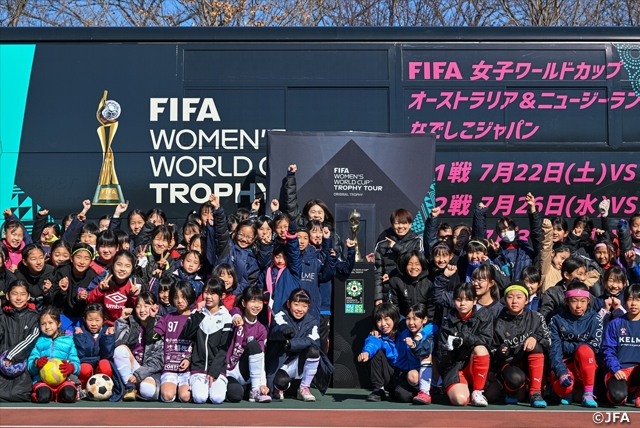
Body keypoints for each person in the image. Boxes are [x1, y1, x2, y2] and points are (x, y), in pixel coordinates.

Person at [266, 288, 332, 402]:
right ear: (288, 304)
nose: (299, 309)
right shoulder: (280, 315)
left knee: (314, 351)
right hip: (280, 365)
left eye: (304, 306)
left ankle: (304, 387)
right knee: (282, 382)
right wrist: (284, 331)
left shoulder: (312, 321)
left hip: (298, 364)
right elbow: (277, 330)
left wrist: (290, 343)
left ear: (308, 307)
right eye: (296, 304)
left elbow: (314, 341)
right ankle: (279, 388)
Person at [491, 284, 550, 407]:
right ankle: (511, 390)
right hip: (510, 363)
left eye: (519, 297)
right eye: (510, 297)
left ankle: (535, 392)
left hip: (531, 362)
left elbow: (548, 342)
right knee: (515, 381)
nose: (514, 301)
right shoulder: (498, 321)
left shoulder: (536, 317)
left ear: (527, 300)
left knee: (536, 345)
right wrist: (501, 351)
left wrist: (534, 337)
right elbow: (492, 349)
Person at [549, 280, 603, 407]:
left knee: (584, 350)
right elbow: (554, 349)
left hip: (585, 368)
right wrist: (562, 372)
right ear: (567, 301)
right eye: (574, 301)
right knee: (564, 388)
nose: (578, 305)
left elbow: (594, 347)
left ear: (588, 301)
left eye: (583, 301)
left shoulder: (596, 319)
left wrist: (566, 345)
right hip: (564, 366)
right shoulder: (556, 320)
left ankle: (588, 393)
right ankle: (563, 391)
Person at [438, 282, 493, 407]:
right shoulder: (447, 321)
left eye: (468, 299)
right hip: (454, 368)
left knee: (481, 349)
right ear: (453, 301)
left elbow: (487, 341)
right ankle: (464, 389)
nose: (462, 303)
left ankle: (477, 391)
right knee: (460, 400)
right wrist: (449, 347)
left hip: (475, 365)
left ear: (475, 301)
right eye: (458, 299)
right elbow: (443, 357)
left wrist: (465, 338)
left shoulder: (485, 315)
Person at [183, 278, 232, 404]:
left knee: (217, 398)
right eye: (206, 292)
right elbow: (186, 334)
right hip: (198, 369)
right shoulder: (197, 312)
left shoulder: (226, 317)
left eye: (213, 293)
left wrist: (214, 371)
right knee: (200, 398)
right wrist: (198, 314)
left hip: (217, 370)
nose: (208, 297)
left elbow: (224, 348)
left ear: (222, 296)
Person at [113, 292, 163, 401]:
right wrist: (122, 320)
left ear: (155, 307)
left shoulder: (161, 325)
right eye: (138, 306)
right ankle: (130, 388)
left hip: (150, 372)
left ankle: (136, 387)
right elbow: (118, 342)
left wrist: (139, 374)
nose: (142, 310)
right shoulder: (133, 323)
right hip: (132, 370)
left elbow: (159, 359)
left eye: (146, 306)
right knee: (120, 350)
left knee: (147, 390)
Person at [151, 280, 195, 403]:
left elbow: (199, 345)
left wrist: (189, 358)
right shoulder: (167, 318)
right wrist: (152, 318)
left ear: (190, 296)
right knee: (167, 396)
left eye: (183, 296)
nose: (179, 301)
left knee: (185, 397)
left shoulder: (195, 318)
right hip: (169, 367)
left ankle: (180, 389)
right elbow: (153, 337)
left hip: (187, 370)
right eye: (176, 297)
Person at [225, 286, 271, 403]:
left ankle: (255, 391)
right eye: (253, 301)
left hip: (247, 371)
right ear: (244, 303)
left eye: (259, 301)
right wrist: (236, 318)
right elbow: (233, 311)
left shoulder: (261, 329)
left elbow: (260, 358)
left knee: (254, 346)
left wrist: (262, 384)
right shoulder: (237, 317)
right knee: (236, 395)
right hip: (229, 370)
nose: (256, 305)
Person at [28, 306, 81, 403]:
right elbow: (30, 365)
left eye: (50, 322)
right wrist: (36, 363)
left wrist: (72, 367)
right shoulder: (37, 340)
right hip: (42, 381)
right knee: (43, 397)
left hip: (64, 380)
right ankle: (47, 394)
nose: (47, 327)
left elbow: (76, 363)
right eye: (43, 324)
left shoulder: (68, 340)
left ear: (59, 323)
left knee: (69, 396)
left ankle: (58, 394)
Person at [211, 194, 259, 295]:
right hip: (218, 294)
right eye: (241, 235)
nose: (244, 239)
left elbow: (249, 283)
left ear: (254, 239)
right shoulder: (227, 247)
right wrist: (218, 210)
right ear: (235, 233)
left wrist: (235, 296)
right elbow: (221, 231)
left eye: (249, 237)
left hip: (237, 298)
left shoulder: (252, 259)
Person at [0, 280, 40, 402]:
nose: (18, 298)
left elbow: (32, 339)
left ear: (28, 296)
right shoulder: (2, 316)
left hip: (23, 367)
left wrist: (12, 356)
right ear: (7, 296)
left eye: (22, 294)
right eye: (14, 294)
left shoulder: (35, 317)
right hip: (2, 366)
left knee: (18, 395)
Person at [374, 208, 424, 305]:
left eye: (404, 223)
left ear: (410, 224)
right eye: (397, 223)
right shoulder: (382, 244)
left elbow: (417, 263)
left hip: (410, 291)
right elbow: (377, 271)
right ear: (392, 224)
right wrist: (378, 297)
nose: (400, 226)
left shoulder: (417, 241)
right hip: (388, 293)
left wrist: (396, 247)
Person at [602, 283, 640, 407]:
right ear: (624, 301)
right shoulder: (615, 323)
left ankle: (636, 393)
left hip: (638, 371)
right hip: (620, 370)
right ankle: (625, 392)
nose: (633, 304)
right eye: (630, 299)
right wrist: (615, 369)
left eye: (638, 300)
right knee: (617, 397)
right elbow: (608, 350)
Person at [48, 243, 97, 329]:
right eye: (78, 257)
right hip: (63, 314)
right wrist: (62, 291)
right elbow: (54, 303)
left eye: (86, 258)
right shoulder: (62, 272)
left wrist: (80, 299)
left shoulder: (92, 276)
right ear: (71, 258)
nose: (82, 262)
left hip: (82, 316)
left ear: (91, 261)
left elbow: (93, 303)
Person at [88, 251, 140, 325]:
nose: (122, 269)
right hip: (103, 324)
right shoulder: (103, 279)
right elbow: (89, 302)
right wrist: (100, 290)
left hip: (125, 324)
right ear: (112, 266)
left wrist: (134, 296)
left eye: (127, 266)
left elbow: (140, 310)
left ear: (132, 269)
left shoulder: (135, 284)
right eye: (119, 264)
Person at [73, 303, 114, 389]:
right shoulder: (81, 332)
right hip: (87, 362)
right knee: (84, 369)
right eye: (90, 320)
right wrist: (79, 337)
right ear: (84, 319)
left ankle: (106, 388)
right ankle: (82, 389)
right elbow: (82, 354)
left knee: (105, 365)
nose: (93, 324)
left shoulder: (107, 331)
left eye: (97, 320)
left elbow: (107, 355)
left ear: (104, 320)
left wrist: (108, 338)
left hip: (101, 362)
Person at [388, 250, 435, 319]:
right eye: (409, 264)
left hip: (424, 320)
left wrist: (428, 321)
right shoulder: (395, 281)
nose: (413, 267)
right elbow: (394, 306)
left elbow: (432, 306)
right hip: (404, 319)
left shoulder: (430, 281)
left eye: (417, 264)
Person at [14, 244, 55, 311]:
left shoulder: (52, 272)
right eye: (33, 259)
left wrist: (47, 292)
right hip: (26, 312)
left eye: (41, 257)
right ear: (25, 262)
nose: (38, 262)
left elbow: (54, 302)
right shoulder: (18, 275)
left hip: (46, 311)